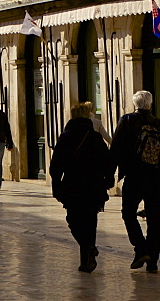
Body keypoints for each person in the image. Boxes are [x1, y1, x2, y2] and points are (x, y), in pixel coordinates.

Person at [110, 89, 160, 273]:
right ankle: (153, 262)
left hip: (134, 176)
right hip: (155, 177)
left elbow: (115, 149)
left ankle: (141, 249)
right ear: (150, 104)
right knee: (154, 221)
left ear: (135, 104)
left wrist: (109, 175)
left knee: (128, 213)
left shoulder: (128, 121)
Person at [50, 102, 114, 273]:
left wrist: (56, 186)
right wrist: (109, 180)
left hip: (73, 186)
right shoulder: (94, 137)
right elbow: (107, 161)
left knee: (73, 220)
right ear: (86, 116)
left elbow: (55, 165)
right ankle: (88, 251)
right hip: (94, 186)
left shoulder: (66, 136)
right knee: (90, 221)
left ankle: (86, 255)